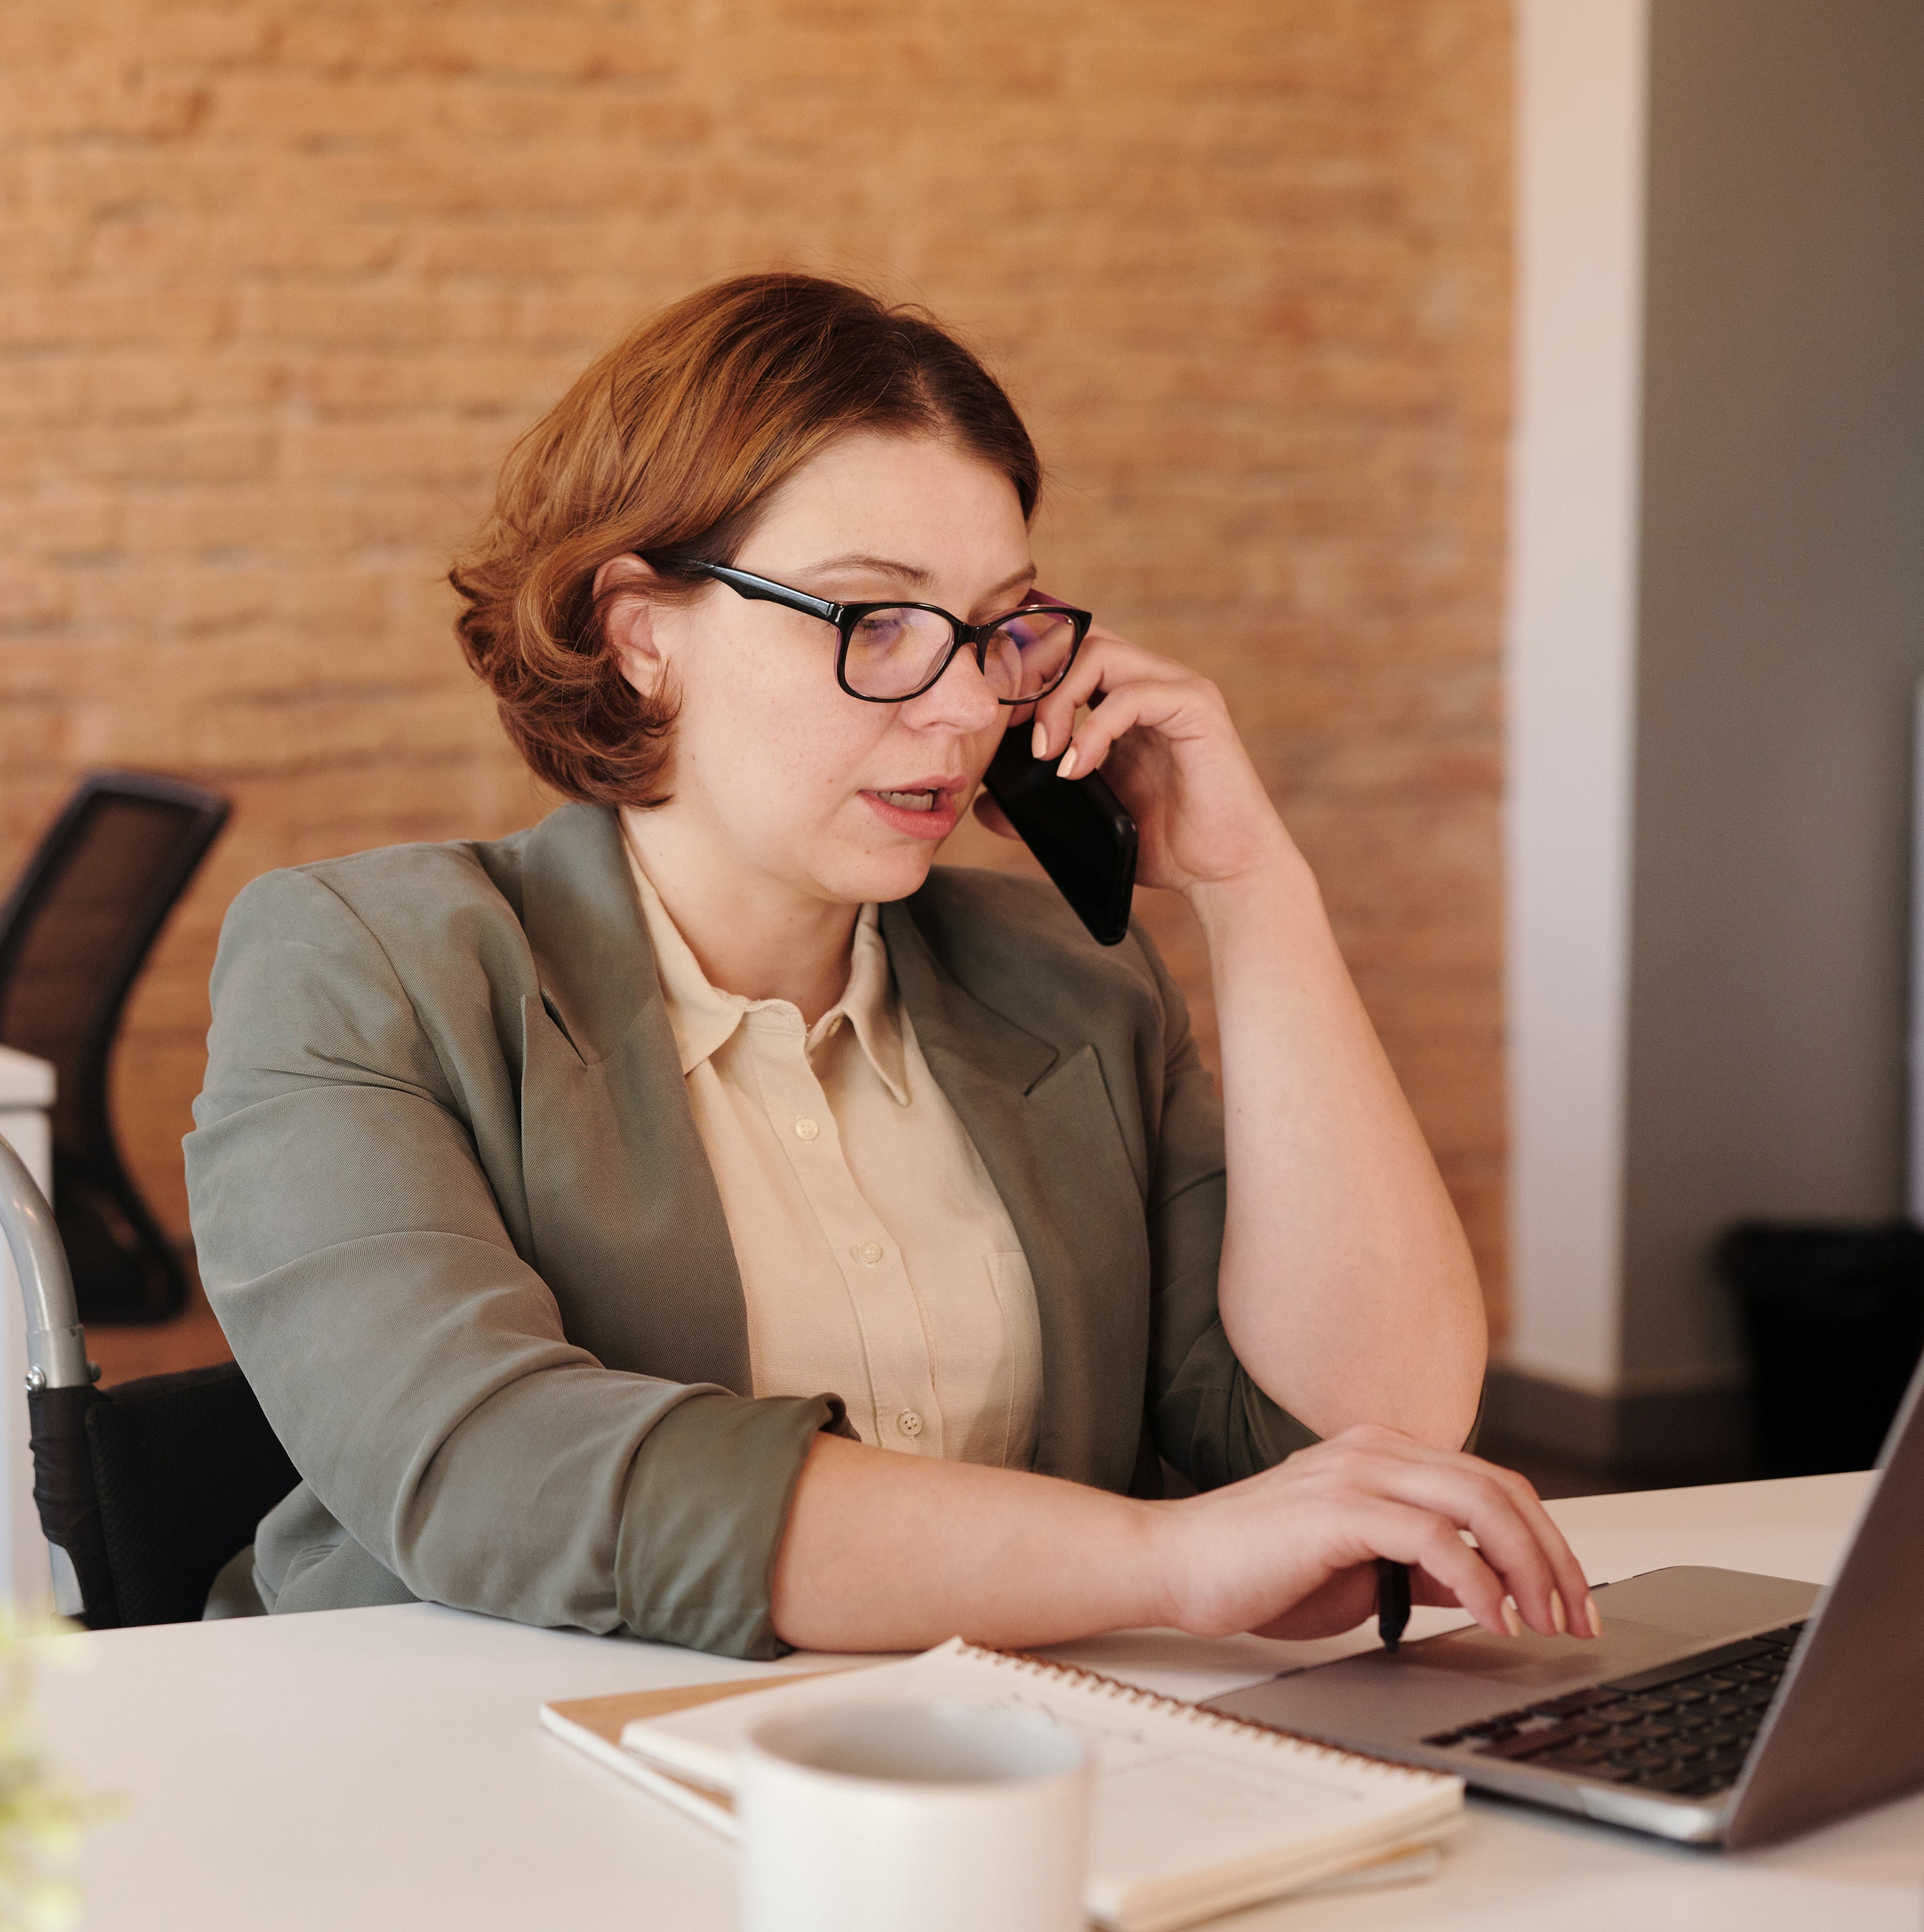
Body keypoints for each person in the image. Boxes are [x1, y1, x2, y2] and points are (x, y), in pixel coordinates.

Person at [183, 272, 1589, 1659]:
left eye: (996, 626)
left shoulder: (1065, 979)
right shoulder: (364, 963)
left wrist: (1251, 889)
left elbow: (1367, 1433)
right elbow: (486, 1464)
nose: (971, 699)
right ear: (642, 632)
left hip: (978, 1786)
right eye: (877, 619)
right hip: (471, 1779)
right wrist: (1162, 1559)